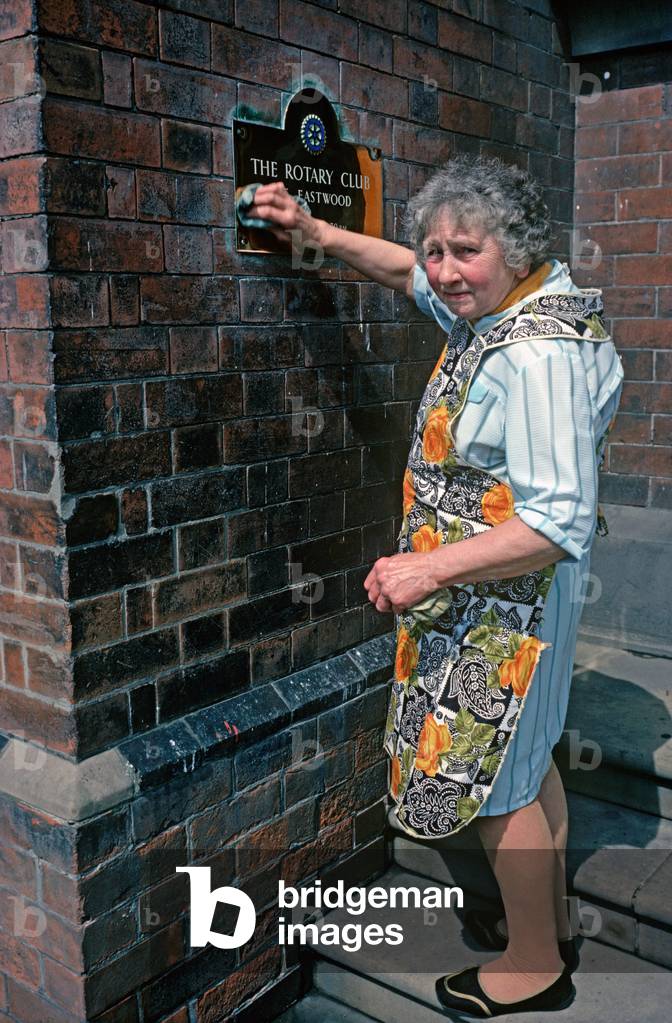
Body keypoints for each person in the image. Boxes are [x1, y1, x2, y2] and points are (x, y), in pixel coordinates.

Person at [247, 155, 624, 1018]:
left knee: (494, 780)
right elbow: (404, 272)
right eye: (438, 249)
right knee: (527, 763)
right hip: (502, 596)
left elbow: (558, 518)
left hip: (507, 605)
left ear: (514, 246)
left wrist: (427, 565)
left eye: (465, 251)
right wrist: (315, 234)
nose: (445, 270)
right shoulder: (505, 303)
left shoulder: (538, 354)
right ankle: (547, 921)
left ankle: (533, 965)